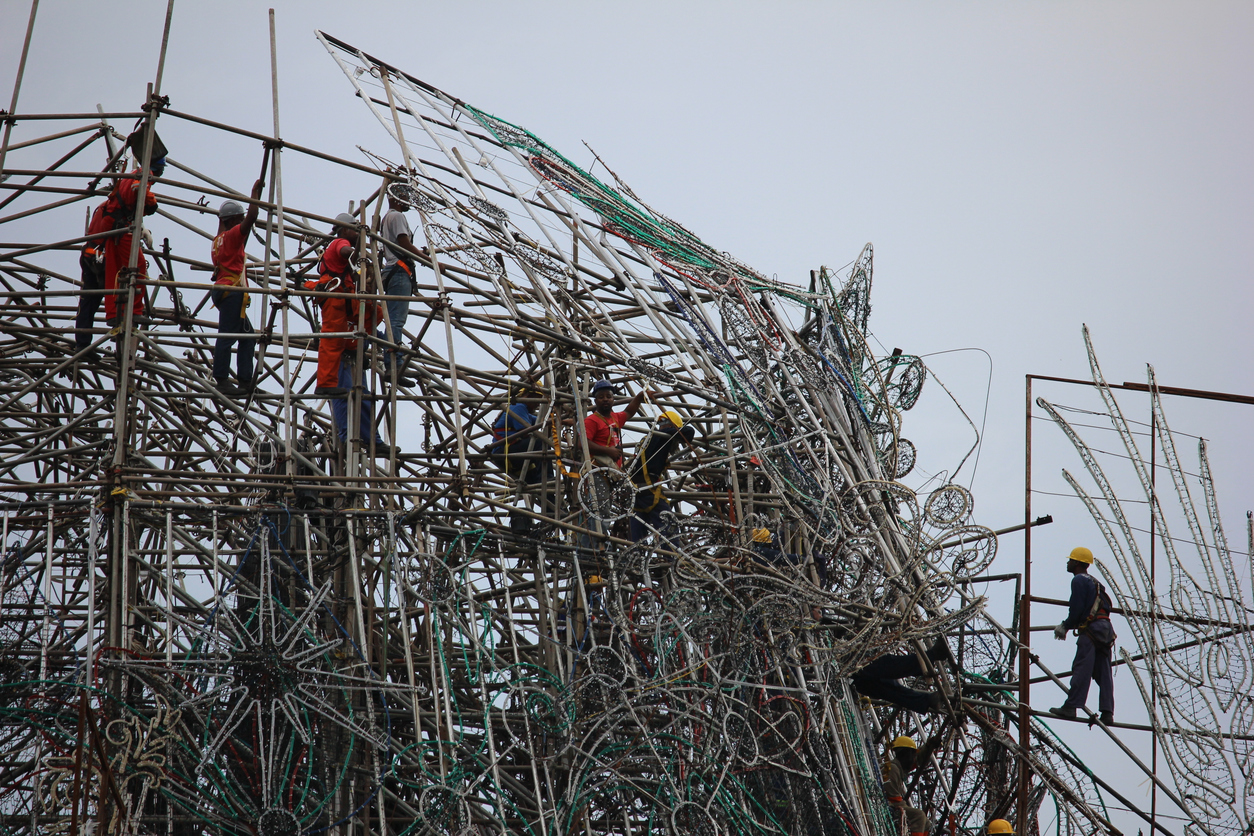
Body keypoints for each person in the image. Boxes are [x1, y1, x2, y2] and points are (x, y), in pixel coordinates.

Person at [209, 179, 264, 396]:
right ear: (233, 221)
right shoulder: (232, 236)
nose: (243, 223)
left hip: (228, 291)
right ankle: (221, 379)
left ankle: (245, 381)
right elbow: (251, 218)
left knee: (248, 336)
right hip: (231, 292)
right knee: (227, 336)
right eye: (239, 220)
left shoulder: (217, 240)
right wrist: (254, 195)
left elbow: (229, 222)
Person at [1049, 547, 1115, 725]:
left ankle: (1071, 707)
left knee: (1082, 669)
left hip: (1092, 628)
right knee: (1104, 673)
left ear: (1077, 563)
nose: (1068, 563)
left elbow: (1077, 608)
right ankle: (1107, 712)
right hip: (1106, 628)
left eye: (1070, 560)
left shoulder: (1079, 580)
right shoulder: (1095, 582)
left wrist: (1066, 625)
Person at [102, 158, 163, 327]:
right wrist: (152, 203)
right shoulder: (145, 174)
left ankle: (113, 314)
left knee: (115, 269)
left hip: (112, 222)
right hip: (122, 224)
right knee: (139, 266)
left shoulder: (129, 175)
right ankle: (136, 311)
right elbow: (139, 188)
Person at [377, 187, 426, 374]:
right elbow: (403, 243)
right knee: (396, 320)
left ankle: (393, 358)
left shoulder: (386, 218)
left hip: (393, 270)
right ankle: (393, 361)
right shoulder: (397, 216)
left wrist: (419, 254)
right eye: (406, 196)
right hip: (398, 271)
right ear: (397, 198)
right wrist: (427, 260)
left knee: (392, 319)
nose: (408, 201)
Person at [627, 410, 694, 542]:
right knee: (670, 528)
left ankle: (635, 559)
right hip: (648, 491)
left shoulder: (649, 439)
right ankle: (672, 558)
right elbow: (689, 432)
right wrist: (677, 430)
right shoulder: (662, 435)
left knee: (637, 537)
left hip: (636, 493)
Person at [852, 640, 952, 714]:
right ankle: (929, 658)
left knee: (884, 686)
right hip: (849, 666)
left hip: (852, 674)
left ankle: (925, 700)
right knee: (884, 666)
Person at [582, 379, 647, 470]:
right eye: (601, 397)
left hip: (613, 471)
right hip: (597, 470)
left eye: (608, 396)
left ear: (613, 399)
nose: (605, 399)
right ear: (595, 400)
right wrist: (608, 451)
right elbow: (582, 444)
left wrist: (639, 397)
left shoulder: (615, 417)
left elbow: (628, 412)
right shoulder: (591, 420)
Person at [489, 388, 550, 484]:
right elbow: (525, 431)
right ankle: (548, 477)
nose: (538, 404)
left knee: (536, 485)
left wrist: (560, 419)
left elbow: (543, 421)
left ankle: (549, 496)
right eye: (537, 400)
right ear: (529, 397)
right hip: (505, 452)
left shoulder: (525, 413)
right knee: (541, 442)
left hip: (512, 453)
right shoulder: (518, 407)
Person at [74, 201, 112, 355]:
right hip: (98, 257)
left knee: (89, 302)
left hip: (92, 254)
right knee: (116, 295)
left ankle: (83, 344)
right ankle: (83, 344)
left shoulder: (107, 205)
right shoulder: (117, 207)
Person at [881, 735, 937, 836]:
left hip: (895, 805)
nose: (913, 759)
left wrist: (928, 747)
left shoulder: (899, 767)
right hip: (889, 806)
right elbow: (893, 799)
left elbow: (918, 760)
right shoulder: (892, 769)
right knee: (918, 815)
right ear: (906, 754)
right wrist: (904, 805)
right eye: (913, 755)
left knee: (927, 824)